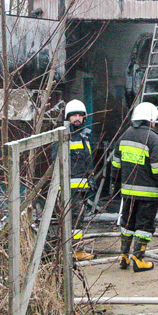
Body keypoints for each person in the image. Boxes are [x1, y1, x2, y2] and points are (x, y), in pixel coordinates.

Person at [112, 102, 158, 273]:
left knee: (127, 223)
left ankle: (124, 258)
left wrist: (115, 187)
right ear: (151, 120)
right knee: (144, 226)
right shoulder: (153, 139)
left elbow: (115, 164)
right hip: (148, 193)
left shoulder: (124, 136)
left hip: (128, 193)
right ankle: (138, 260)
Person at [58, 99, 95, 261]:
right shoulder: (64, 136)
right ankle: (76, 250)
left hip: (81, 186)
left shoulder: (83, 135)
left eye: (80, 115)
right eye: (74, 116)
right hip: (69, 188)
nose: (77, 118)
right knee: (75, 220)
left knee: (78, 219)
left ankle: (73, 249)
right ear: (68, 117)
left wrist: (90, 179)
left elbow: (86, 162)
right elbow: (58, 162)